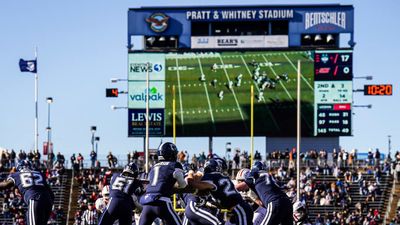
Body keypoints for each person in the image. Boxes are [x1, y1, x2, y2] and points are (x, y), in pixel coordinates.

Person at [190, 159, 253, 225]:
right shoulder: (223, 177)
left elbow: (193, 183)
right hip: (242, 208)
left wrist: (191, 172)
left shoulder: (210, 177)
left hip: (240, 209)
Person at [139, 142, 187, 225]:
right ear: (171, 154)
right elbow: (182, 184)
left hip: (147, 203)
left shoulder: (154, 167)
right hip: (162, 202)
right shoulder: (174, 165)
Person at [236, 161, 293, 225]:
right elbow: (262, 203)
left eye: (241, 181)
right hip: (287, 202)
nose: (240, 182)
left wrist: (228, 191)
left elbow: (240, 187)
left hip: (275, 202)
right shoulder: (268, 176)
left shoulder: (254, 174)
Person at [0, 160, 54, 225]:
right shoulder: (38, 173)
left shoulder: (16, 174)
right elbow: (51, 194)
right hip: (48, 200)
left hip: (35, 199)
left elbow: (5, 185)